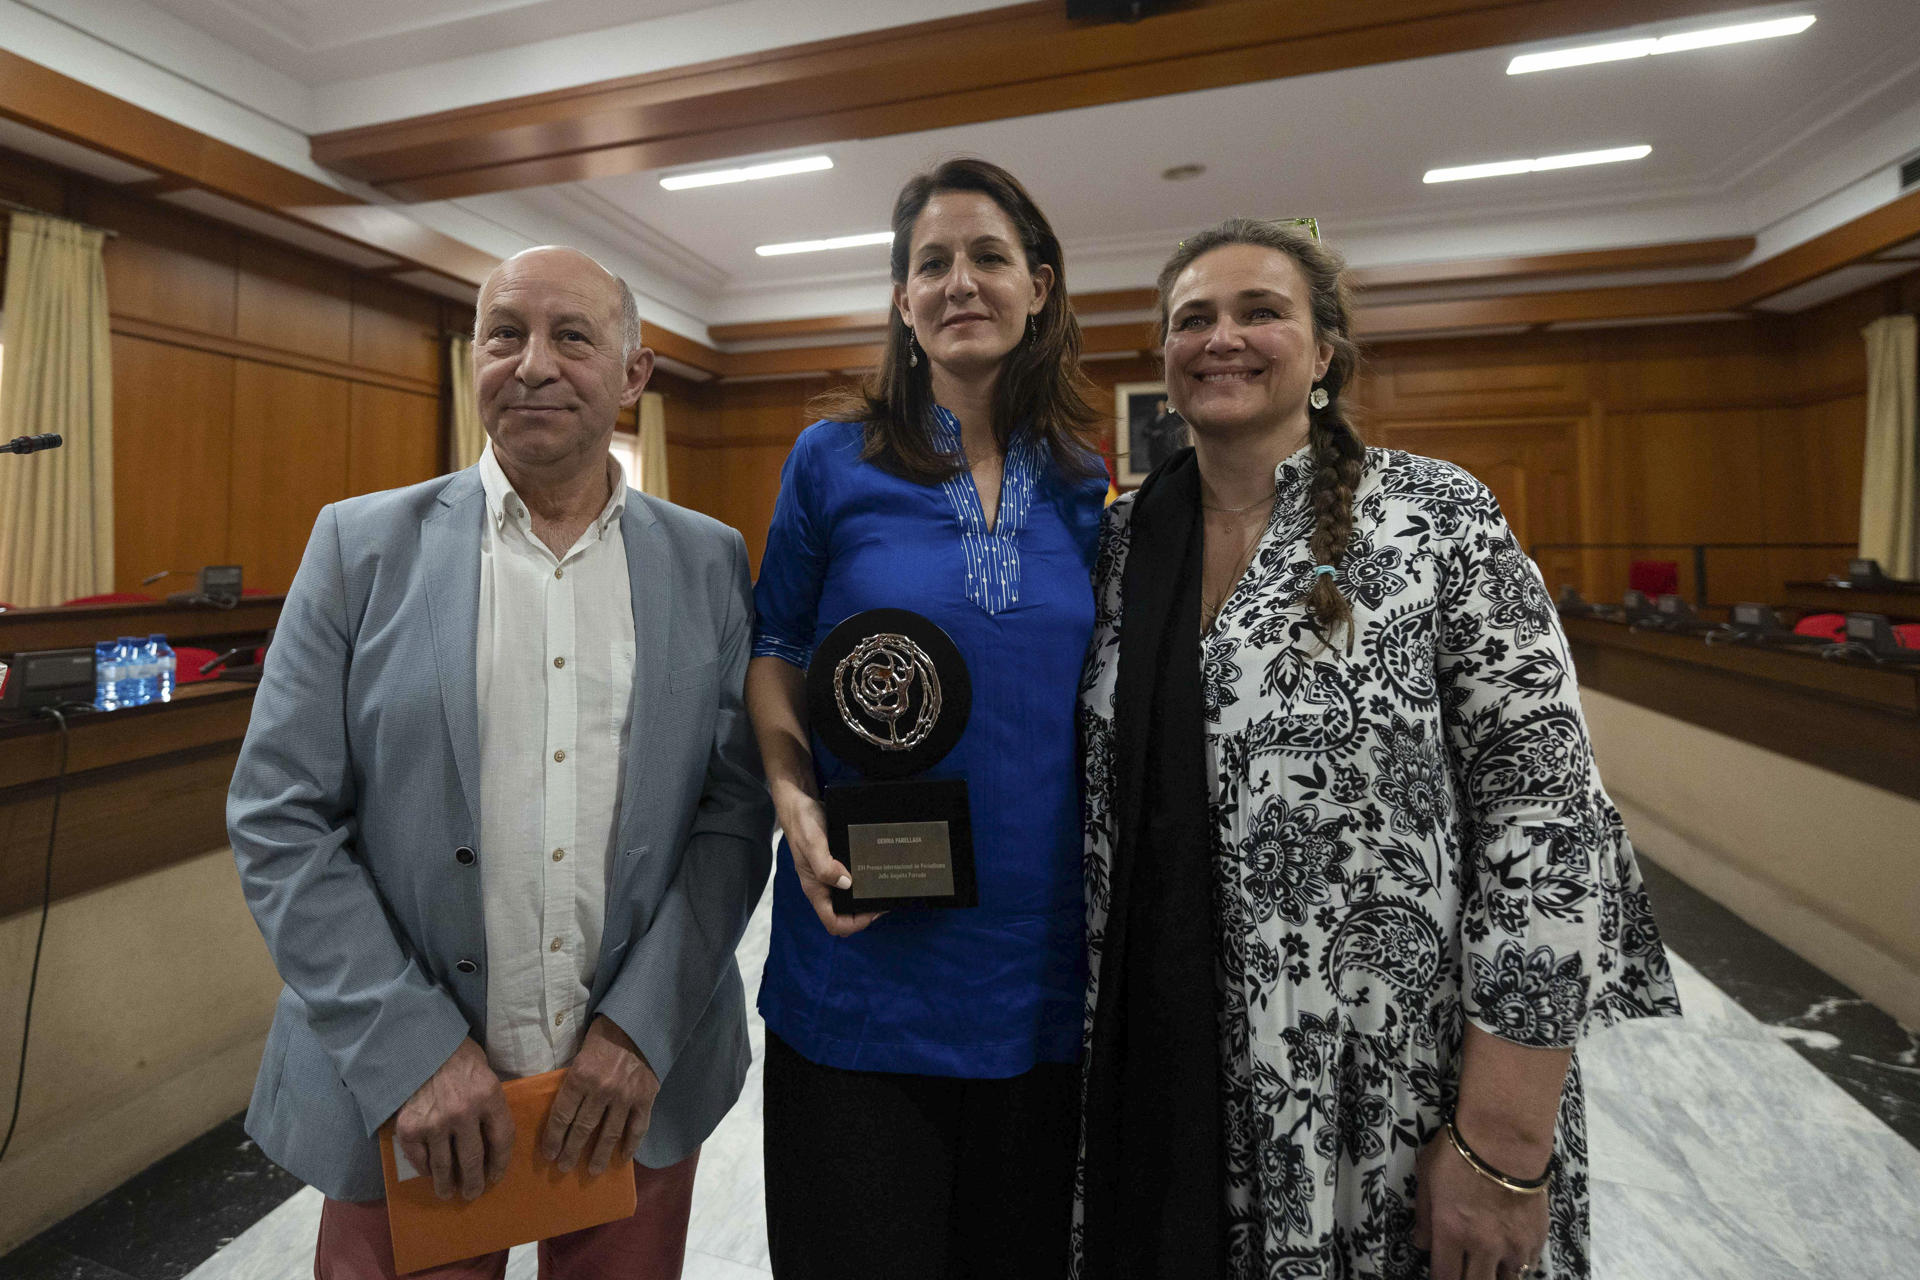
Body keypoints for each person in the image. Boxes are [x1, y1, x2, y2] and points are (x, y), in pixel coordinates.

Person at [1075, 218, 1681, 1280]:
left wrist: (1505, 1139)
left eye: (1261, 311)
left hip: (1397, 1088)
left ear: (1322, 353)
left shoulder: (1436, 520)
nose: (1223, 336)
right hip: (1169, 1073)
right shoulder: (1116, 549)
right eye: (1192, 318)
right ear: (1163, 360)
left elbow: (1547, 819)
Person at [229, 245, 773, 1279]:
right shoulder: (359, 549)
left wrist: (639, 1030)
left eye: (572, 335)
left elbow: (734, 810)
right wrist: (412, 1052)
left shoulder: (709, 559)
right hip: (411, 1103)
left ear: (634, 374)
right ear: (471, 358)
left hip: (631, 1092)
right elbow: (278, 815)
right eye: (503, 333)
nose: (532, 363)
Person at [746, 158, 1107, 1279]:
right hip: (863, 956)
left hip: (1040, 963)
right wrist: (792, 794)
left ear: (1038, 286)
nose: (961, 281)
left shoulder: (1082, 483)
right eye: (932, 263)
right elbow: (776, 650)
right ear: (903, 302)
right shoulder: (831, 461)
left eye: (989, 256)